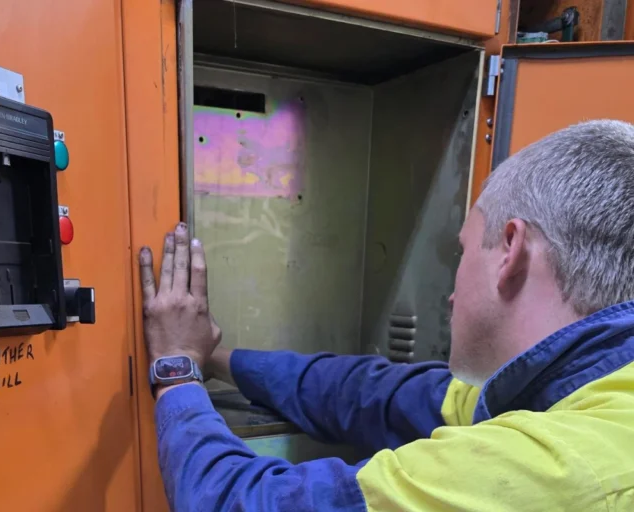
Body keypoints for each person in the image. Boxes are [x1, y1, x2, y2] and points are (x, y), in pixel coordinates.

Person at [138, 120, 634, 511]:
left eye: (461, 253)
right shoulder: (584, 390)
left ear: (511, 251)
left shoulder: (553, 474)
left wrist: (175, 367)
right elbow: (373, 394)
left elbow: (240, 503)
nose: (450, 294)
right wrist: (213, 358)